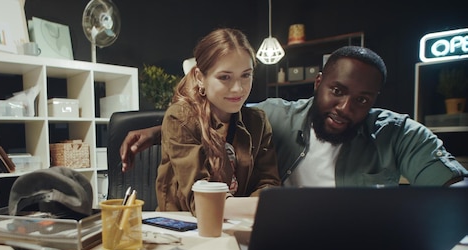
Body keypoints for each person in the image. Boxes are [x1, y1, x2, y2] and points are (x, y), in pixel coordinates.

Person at [122, 46, 468, 188]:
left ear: (375, 100)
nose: (346, 108)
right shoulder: (276, 115)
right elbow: (219, 114)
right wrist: (157, 130)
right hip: (285, 248)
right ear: (319, 83)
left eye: (362, 100)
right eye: (337, 91)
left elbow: (455, 189)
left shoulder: (399, 134)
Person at [155, 28, 281, 220]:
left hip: (239, 224)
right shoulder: (180, 118)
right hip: (183, 228)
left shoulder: (257, 122)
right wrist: (270, 206)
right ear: (200, 78)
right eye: (225, 77)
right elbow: (202, 202)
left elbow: (268, 183)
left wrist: (263, 206)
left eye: (246, 75)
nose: (238, 88)